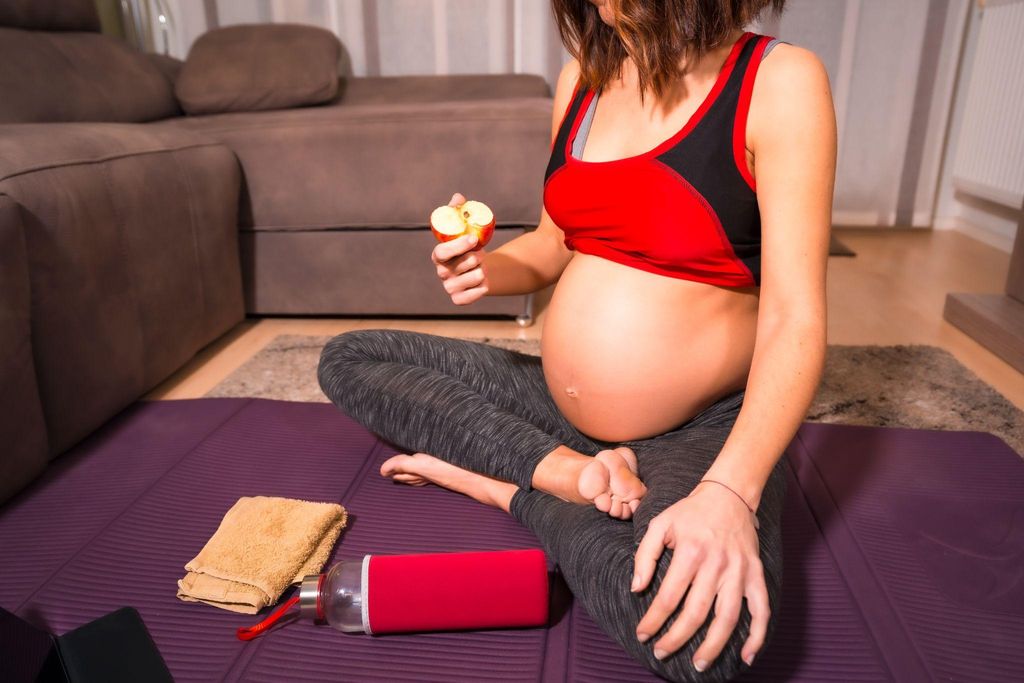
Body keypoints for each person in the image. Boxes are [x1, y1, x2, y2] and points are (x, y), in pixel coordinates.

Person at [318, 0, 836, 679]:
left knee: (702, 644)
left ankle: (514, 488)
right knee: (350, 359)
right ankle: (565, 471)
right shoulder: (581, 81)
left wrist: (730, 493)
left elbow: (795, 317)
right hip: (557, 411)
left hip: (701, 425)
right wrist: (486, 265)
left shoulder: (778, 81)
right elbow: (554, 243)